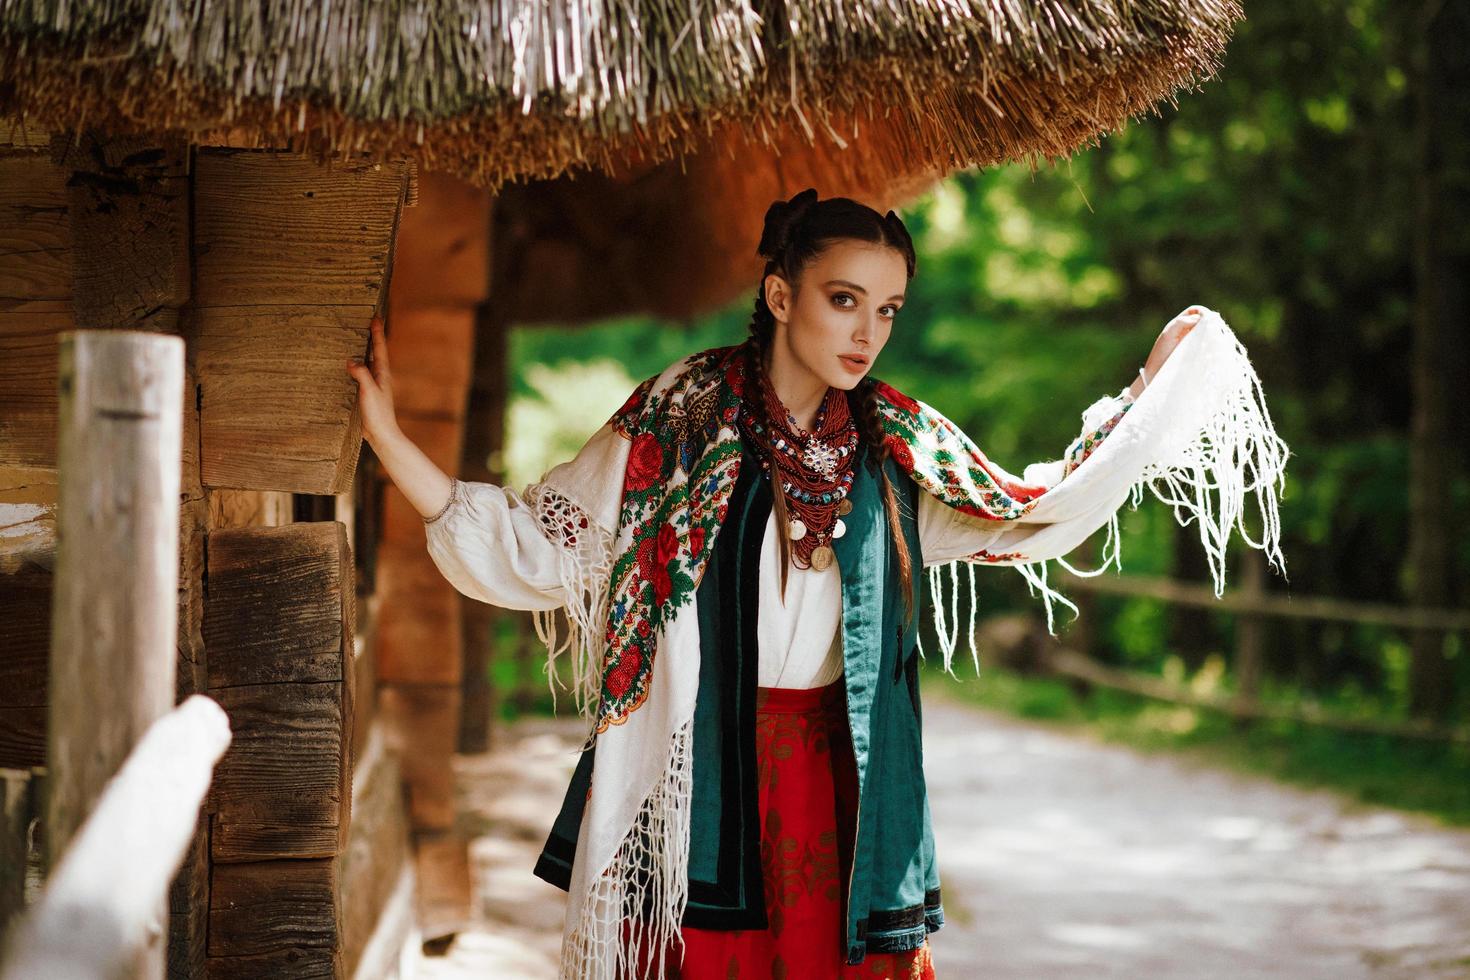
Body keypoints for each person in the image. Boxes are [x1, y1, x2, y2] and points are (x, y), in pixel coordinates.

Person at [347, 188, 1290, 980]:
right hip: (697, 778)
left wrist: (1142, 407)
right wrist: (390, 441)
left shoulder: (897, 444)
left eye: (887, 311)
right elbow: (539, 545)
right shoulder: (683, 416)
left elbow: (1025, 511)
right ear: (780, 292)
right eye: (845, 299)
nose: (867, 332)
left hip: (840, 781)